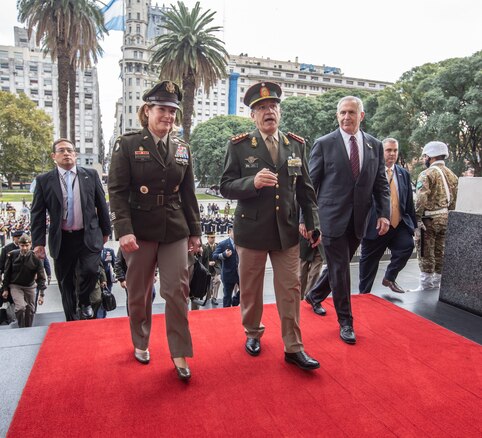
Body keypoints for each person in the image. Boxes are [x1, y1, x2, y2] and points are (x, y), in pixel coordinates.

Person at [220, 81, 321, 371]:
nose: (269, 112)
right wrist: (252, 182)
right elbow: (225, 186)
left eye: (273, 106)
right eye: (262, 108)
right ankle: (252, 332)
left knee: (290, 290)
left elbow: (306, 191)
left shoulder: (296, 145)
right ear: (253, 115)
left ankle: (294, 347)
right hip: (251, 232)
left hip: (286, 232)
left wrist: (312, 224)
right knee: (251, 289)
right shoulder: (239, 145)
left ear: (279, 111)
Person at [108, 80, 201, 381]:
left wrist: (195, 231)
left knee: (177, 290)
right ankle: (141, 341)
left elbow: (189, 194)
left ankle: (179, 352)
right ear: (147, 110)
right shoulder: (128, 144)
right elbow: (117, 190)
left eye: (173, 110)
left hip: (174, 227)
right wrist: (123, 230)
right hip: (139, 230)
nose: (169, 116)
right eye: (162, 109)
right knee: (139, 293)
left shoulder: (183, 148)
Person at [305, 95, 390, 345]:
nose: (346, 117)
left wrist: (384, 213)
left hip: (359, 220)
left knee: (337, 267)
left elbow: (381, 184)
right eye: (342, 112)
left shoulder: (374, 146)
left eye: (351, 112)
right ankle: (346, 322)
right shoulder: (324, 144)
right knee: (341, 268)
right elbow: (310, 186)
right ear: (337, 115)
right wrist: (306, 220)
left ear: (361, 116)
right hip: (330, 219)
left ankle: (314, 295)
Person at [30, 138, 111, 321]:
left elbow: (102, 205)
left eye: (69, 150)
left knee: (91, 270)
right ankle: (71, 319)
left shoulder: (90, 175)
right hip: (62, 239)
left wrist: (106, 231)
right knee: (65, 282)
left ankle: (84, 301)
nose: (66, 153)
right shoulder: (44, 181)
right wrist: (38, 243)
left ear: (75, 155)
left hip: (88, 236)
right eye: (61, 151)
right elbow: (38, 214)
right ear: (54, 156)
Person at [359, 138, 417, 294]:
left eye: (395, 150)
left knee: (407, 246)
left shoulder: (403, 173)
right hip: (375, 226)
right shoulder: (369, 171)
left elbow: (409, 201)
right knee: (369, 262)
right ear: (381, 151)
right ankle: (364, 295)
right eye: (388, 150)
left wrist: (414, 226)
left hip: (398, 224)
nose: (392, 154)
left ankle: (390, 277)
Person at [410, 141, 458, 292]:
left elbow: (421, 198)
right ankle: (437, 282)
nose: (424, 158)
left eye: (425, 156)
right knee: (440, 250)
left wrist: (416, 219)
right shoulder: (452, 175)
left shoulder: (426, 174)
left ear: (430, 157)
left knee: (425, 250)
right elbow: (454, 199)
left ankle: (425, 284)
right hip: (445, 217)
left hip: (428, 219)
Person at [1, 234, 47, 327]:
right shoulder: (12, 255)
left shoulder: (36, 258)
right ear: (19, 245)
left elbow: (41, 277)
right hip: (15, 286)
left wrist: (41, 294)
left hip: (30, 286)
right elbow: (7, 273)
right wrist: (5, 288)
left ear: (31, 245)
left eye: (27, 245)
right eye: (22, 245)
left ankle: (28, 328)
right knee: (21, 308)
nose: (24, 248)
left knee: (30, 310)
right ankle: (21, 327)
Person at [212, 226, 239, 307]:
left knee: (245, 291)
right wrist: (224, 255)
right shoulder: (223, 244)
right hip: (228, 274)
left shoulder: (241, 244)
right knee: (227, 297)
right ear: (229, 232)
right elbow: (214, 256)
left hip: (240, 273)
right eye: (235, 231)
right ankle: (226, 314)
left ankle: (235, 301)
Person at [201, 231, 221, 306]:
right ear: (208, 238)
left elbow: (219, 258)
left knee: (218, 281)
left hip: (216, 269)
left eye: (214, 237)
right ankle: (209, 296)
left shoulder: (217, 246)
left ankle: (214, 298)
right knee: (209, 286)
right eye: (212, 237)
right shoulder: (204, 247)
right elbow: (202, 260)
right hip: (208, 269)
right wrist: (208, 263)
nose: (213, 239)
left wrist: (218, 265)